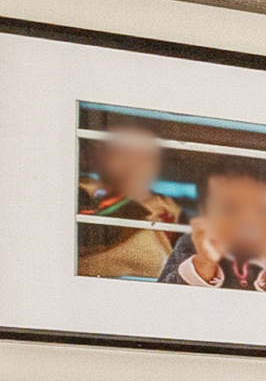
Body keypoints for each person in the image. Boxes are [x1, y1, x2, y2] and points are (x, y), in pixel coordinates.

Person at [159, 154, 266, 294]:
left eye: (265, 210)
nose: (247, 220)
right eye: (229, 208)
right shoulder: (190, 246)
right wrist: (204, 263)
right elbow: (166, 299)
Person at [74, 114, 185, 281]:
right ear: (86, 157)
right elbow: (90, 235)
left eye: (146, 158)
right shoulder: (83, 194)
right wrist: (128, 201)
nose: (134, 167)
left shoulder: (162, 204)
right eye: (119, 153)